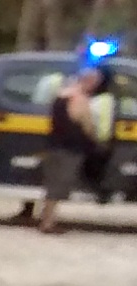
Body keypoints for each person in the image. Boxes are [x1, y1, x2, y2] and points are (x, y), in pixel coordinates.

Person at [40, 68, 107, 234]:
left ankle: (46, 219)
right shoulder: (80, 99)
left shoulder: (62, 95)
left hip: (54, 145)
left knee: (51, 184)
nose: (95, 86)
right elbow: (86, 124)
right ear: (89, 81)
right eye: (95, 82)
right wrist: (95, 138)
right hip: (70, 149)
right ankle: (48, 224)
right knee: (60, 185)